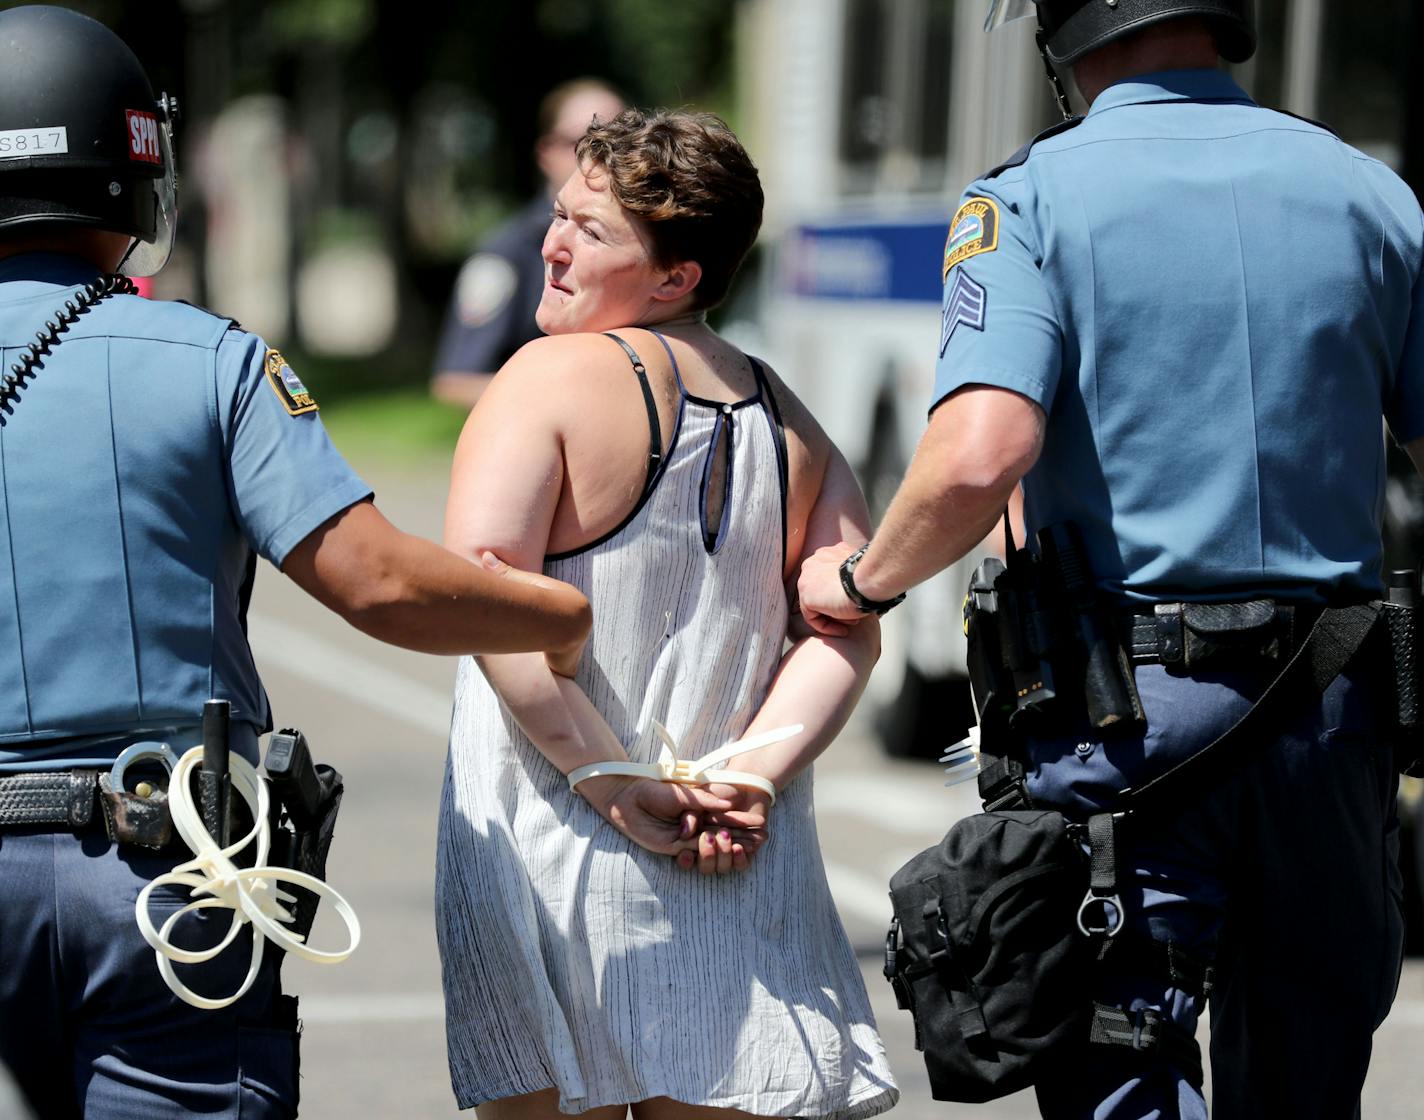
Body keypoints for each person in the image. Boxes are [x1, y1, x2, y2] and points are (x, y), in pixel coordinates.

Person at [799, 1, 1415, 1117]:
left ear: (1063, 40)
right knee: (1309, 1074)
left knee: (1120, 1057)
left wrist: (860, 581)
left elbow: (978, 452)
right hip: (1332, 716)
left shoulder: (1026, 199)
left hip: (1125, 714)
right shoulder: (1369, 192)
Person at [0, 9, 603, 1119]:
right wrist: (552, 612)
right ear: (137, 167)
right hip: (159, 876)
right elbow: (378, 581)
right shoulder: (209, 359)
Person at [436, 108, 899, 1119]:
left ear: (675, 276)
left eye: (589, 231)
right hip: (729, 856)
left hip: (556, 848)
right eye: (559, 216)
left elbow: (483, 593)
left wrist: (610, 782)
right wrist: (751, 777)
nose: (549, 245)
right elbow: (845, 621)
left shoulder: (544, 376)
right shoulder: (786, 412)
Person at [430, 79, 626, 409]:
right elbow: (455, 380)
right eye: (583, 141)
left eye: (619, 142)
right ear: (545, 153)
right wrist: (575, 399)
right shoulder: (505, 252)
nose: (602, 157)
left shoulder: (641, 243)